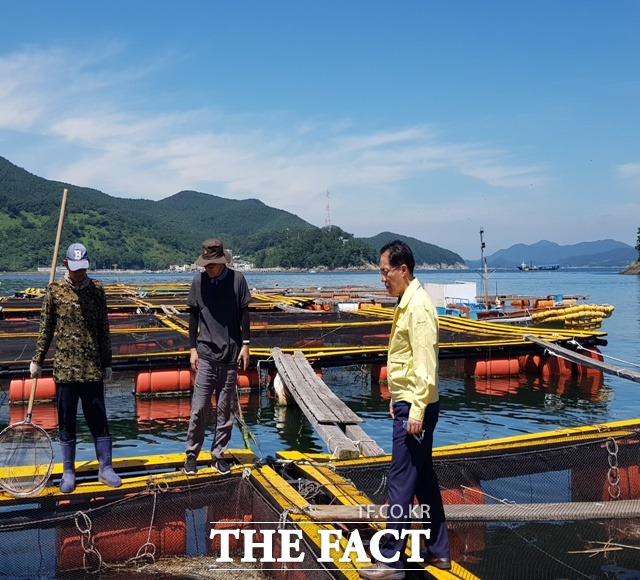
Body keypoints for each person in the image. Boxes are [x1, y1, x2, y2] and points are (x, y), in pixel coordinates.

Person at [358, 240, 451, 580]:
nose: (382, 278)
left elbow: (425, 364)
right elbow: (406, 362)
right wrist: (397, 400)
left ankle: (389, 560)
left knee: (399, 481)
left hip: (418, 407)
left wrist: (414, 410)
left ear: (403, 269)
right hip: (410, 402)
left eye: (385, 272)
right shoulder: (406, 302)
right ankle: (439, 552)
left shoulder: (419, 307)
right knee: (423, 480)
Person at [30, 242, 121, 493]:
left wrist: (108, 363)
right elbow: (46, 329)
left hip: (91, 368)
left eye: (82, 268)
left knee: (98, 419)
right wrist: (37, 360)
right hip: (65, 371)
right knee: (66, 421)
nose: (79, 273)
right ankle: (68, 471)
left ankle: (105, 468)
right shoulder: (54, 291)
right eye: (74, 268)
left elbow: (104, 329)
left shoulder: (97, 291)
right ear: (65, 264)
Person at [183, 238, 251, 475]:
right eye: (205, 265)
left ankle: (218, 454)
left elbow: (244, 312)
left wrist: (246, 345)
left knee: (225, 408)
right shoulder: (198, 282)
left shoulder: (238, 280)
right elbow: (193, 316)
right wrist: (192, 348)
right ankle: (191, 454)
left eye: (211, 265)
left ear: (222, 262)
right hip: (205, 354)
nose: (207, 268)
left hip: (231, 355)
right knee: (199, 408)